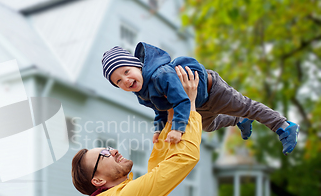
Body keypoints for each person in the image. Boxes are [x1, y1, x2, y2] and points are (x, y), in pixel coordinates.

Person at [72, 67, 201, 196]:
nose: (113, 150)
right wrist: (190, 108)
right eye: (104, 154)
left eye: (107, 147)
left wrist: (170, 118)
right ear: (98, 181)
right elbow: (184, 159)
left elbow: (158, 169)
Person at [101, 42, 299, 155]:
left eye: (127, 71)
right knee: (208, 126)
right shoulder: (141, 93)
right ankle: (240, 120)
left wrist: (178, 130)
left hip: (212, 91)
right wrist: (159, 130)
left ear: (138, 65)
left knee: (247, 106)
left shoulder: (161, 75)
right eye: (118, 81)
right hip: (197, 104)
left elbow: (181, 101)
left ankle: (283, 126)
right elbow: (160, 110)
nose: (126, 80)